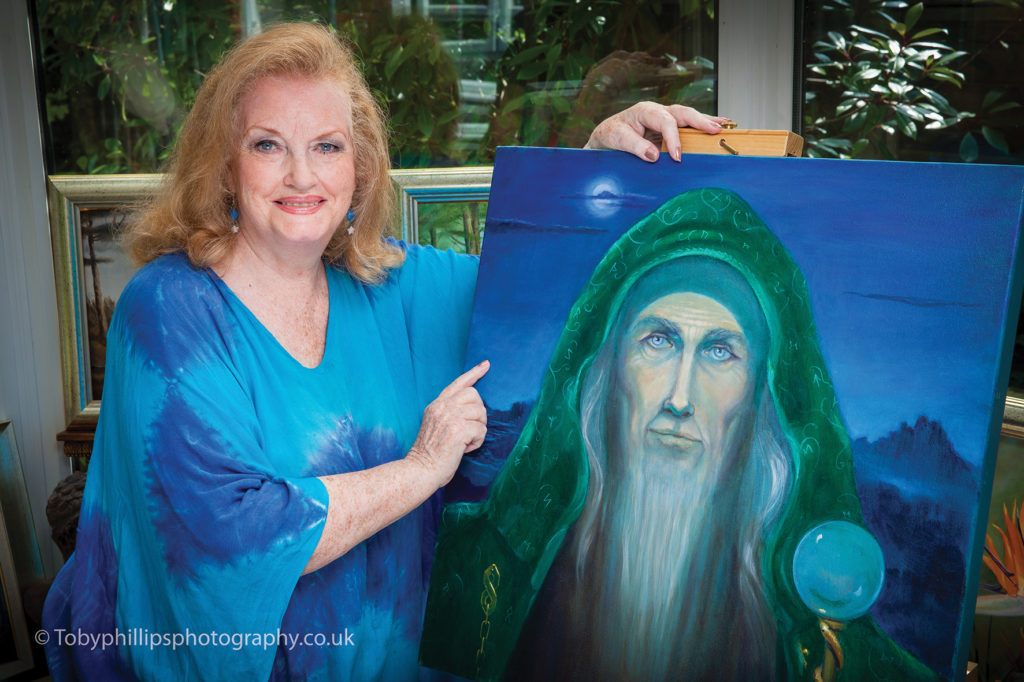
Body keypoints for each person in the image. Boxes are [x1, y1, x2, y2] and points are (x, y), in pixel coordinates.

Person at [40, 21, 728, 681]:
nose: (302, 175)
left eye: (328, 146)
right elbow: (234, 534)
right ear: (224, 166)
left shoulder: (391, 284)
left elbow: (544, 288)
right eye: (268, 145)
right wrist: (421, 468)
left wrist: (596, 166)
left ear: (360, 169)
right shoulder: (168, 310)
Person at [420, 187, 941, 681]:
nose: (679, 398)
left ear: (761, 401)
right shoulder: (476, 571)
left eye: (720, 352)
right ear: (606, 372)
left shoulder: (839, 654)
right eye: (658, 340)